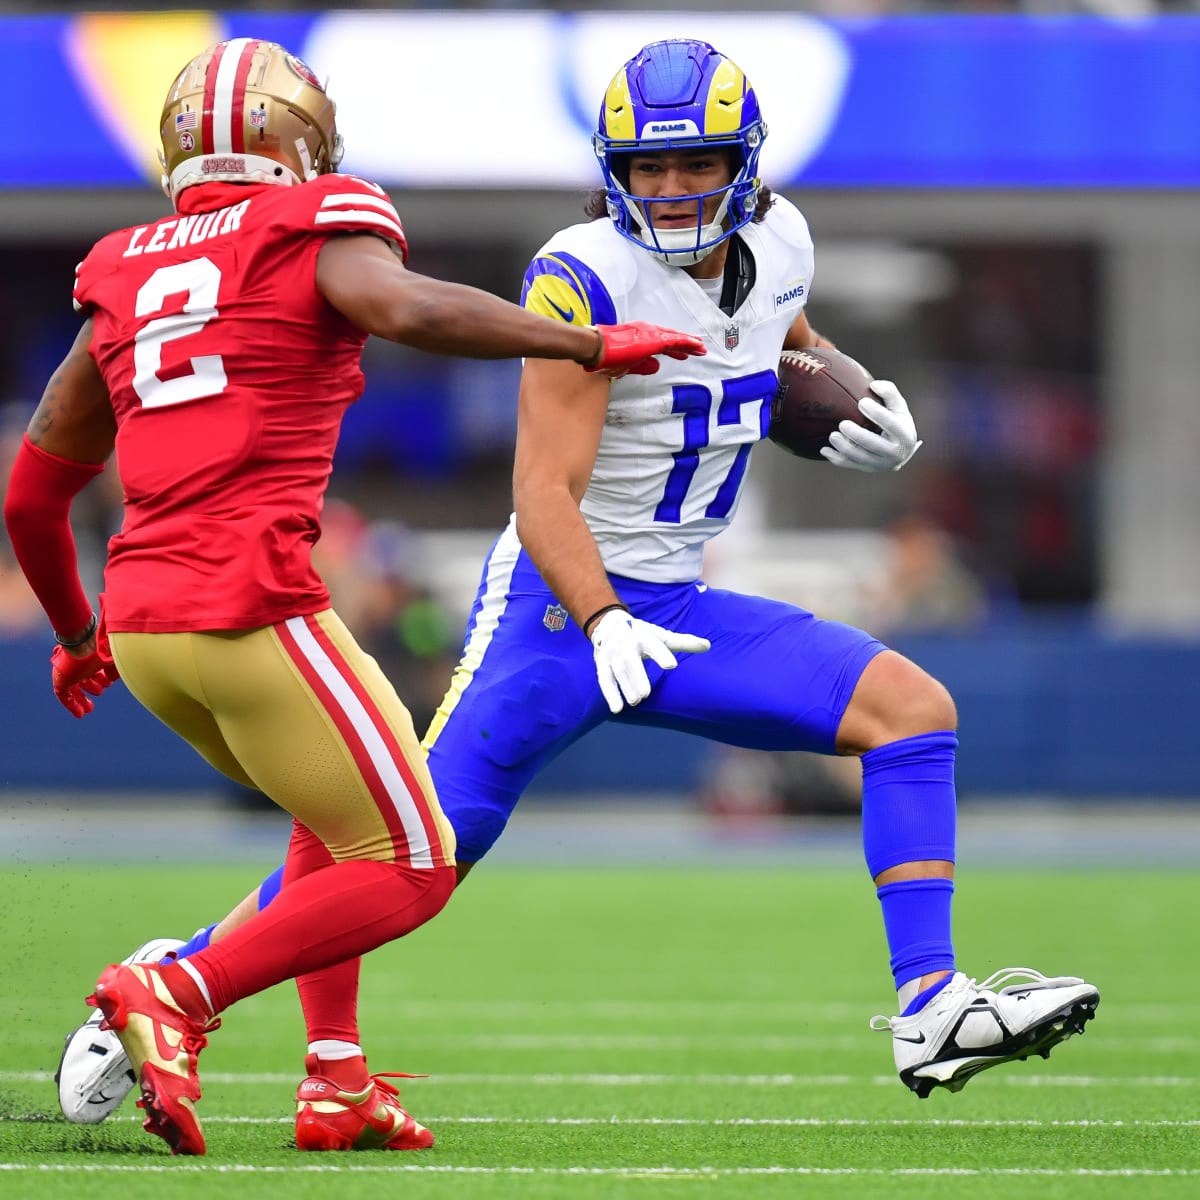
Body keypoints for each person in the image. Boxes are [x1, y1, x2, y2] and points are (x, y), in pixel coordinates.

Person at [50, 37, 1098, 1134]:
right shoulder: (579, 272)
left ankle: (930, 1005)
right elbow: (543, 489)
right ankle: (169, 982)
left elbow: (765, 339)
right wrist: (598, 616)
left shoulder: (783, 239)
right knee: (411, 857)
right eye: (648, 169)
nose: (673, 189)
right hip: (554, 614)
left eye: (695, 164)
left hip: (677, 606)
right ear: (612, 170)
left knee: (913, 714)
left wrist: (852, 403)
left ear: (744, 163)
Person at [3, 37, 706, 1158]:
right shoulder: (310, 219)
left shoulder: (124, 267)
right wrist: (584, 341)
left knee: (335, 825)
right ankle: (176, 989)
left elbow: (35, 497)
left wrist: (76, 635)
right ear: (300, 141)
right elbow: (407, 307)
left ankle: (336, 1080)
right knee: (415, 861)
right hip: (251, 609)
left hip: (144, 631)